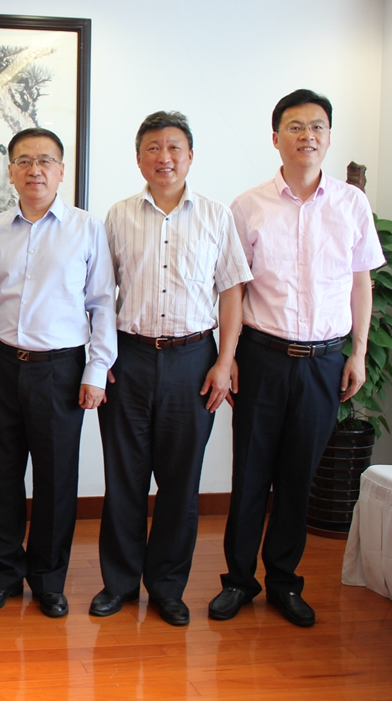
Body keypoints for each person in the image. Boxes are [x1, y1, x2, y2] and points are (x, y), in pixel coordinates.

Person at [209, 89, 384, 627]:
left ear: (328, 136)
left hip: (324, 362)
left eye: (317, 126)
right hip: (261, 357)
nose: (307, 136)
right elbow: (233, 288)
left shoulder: (351, 204)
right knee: (251, 474)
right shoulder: (248, 206)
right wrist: (228, 356)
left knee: (298, 476)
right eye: (295, 126)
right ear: (275, 137)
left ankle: (284, 581)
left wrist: (358, 352)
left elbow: (361, 283)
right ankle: (239, 581)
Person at [92, 111, 251, 626]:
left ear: (190, 156)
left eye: (174, 147)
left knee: (181, 483)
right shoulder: (117, 216)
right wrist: (101, 356)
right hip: (129, 357)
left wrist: (224, 361)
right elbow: (99, 294)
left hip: (193, 360)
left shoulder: (216, 216)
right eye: (154, 148)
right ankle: (118, 584)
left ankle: (166, 588)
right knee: (125, 477)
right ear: (139, 158)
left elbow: (232, 293)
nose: (165, 158)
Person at [0, 127, 117, 618]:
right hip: (1, 366)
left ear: (61, 171)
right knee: (0, 479)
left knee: (55, 481)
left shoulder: (86, 228)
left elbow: (102, 304)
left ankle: (49, 581)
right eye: (24, 161)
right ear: (10, 171)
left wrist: (96, 370)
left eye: (45, 160)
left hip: (60, 371)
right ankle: (2, 578)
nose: (35, 170)